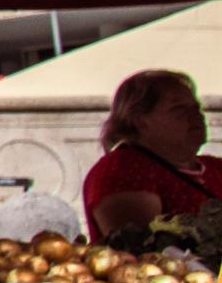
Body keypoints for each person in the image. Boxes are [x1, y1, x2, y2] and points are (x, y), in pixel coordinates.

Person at [85, 69, 219, 243]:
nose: (197, 115)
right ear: (139, 120)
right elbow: (143, 248)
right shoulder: (124, 170)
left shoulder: (216, 167)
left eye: (196, 107)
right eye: (179, 108)